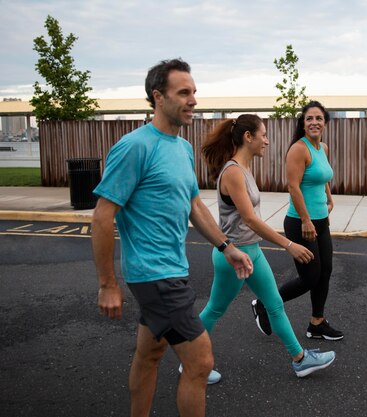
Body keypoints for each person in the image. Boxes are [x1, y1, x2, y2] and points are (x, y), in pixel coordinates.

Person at [91, 58, 253, 417]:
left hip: (172, 268)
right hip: (153, 274)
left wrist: (227, 247)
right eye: (183, 92)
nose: (193, 99)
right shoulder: (135, 147)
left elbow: (194, 205)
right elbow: (103, 217)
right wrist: (107, 284)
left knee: (150, 353)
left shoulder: (181, 148)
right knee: (200, 362)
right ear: (158, 97)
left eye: (194, 91)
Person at [199, 114, 336, 378]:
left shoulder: (243, 169)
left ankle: (300, 359)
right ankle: (191, 359)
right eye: (263, 135)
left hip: (252, 252)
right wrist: (289, 244)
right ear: (248, 137)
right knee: (215, 309)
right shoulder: (233, 172)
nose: (267, 141)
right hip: (234, 255)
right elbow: (250, 219)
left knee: (274, 304)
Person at [252, 101, 343, 341]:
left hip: (321, 221)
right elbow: (293, 186)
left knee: (325, 272)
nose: (314, 122)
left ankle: (317, 323)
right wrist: (306, 220)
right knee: (310, 277)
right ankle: (264, 304)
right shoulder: (298, 149)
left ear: (325, 122)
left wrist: (329, 198)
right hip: (301, 223)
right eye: (309, 118)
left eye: (318, 118)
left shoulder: (322, 147)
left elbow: (323, 176)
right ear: (303, 123)